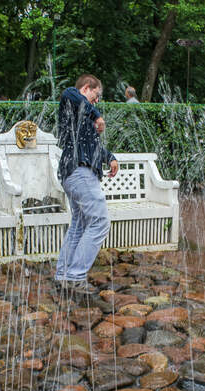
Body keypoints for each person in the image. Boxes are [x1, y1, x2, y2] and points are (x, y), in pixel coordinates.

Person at [55, 74, 119, 294]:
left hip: (73, 173)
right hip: (79, 172)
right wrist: (96, 115)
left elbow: (91, 146)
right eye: (96, 95)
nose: (97, 101)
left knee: (79, 225)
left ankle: (64, 275)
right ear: (86, 88)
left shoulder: (82, 118)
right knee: (100, 222)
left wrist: (109, 157)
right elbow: (68, 92)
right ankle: (76, 276)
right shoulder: (72, 100)